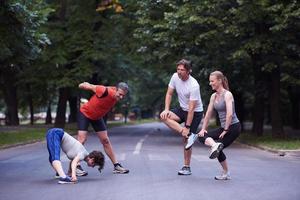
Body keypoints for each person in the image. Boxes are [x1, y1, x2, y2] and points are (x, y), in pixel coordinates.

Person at [185, 70, 241, 180]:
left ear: (219, 81)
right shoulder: (213, 96)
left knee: (218, 148)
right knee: (201, 136)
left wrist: (225, 129)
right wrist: (203, 129)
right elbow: (208, 114)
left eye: (212, 81)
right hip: (223, 127)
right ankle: (215, 146)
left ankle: (225, 172)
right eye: (210, 81)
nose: (210, 83)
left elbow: (229, 114)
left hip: (233, 127)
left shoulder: (227, 94)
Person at [160, 59, 204, 175]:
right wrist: (166, 109)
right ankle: (188, 134)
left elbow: (191, 109)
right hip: (182, 109)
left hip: (195, 113)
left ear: (189, 71)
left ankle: (186, 167)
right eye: (178, 69)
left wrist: (187, 126)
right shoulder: (175, 77)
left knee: (186, 140)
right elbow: (169, 93)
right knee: (164, 116)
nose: (179, 72)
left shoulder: (194, 85)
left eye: (182, 70)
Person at [76, 81, 129, 175]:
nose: (121, 97)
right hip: (85, 113)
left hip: (97, 117)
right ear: (116, 90)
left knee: (105, 140)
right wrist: (82, 85)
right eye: (120, 94)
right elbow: (90, 86)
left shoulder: (115, 92)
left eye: (123, 96)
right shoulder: (103, 90)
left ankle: (116, 166)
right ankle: (76, 166)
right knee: (82, 139)